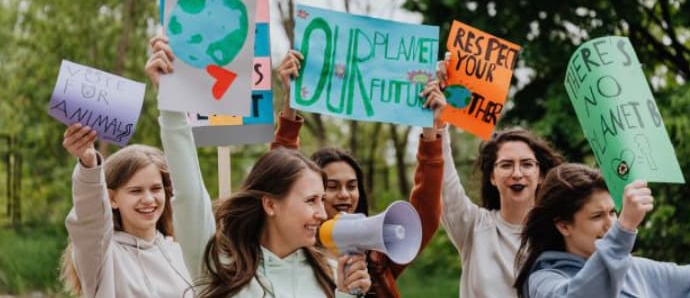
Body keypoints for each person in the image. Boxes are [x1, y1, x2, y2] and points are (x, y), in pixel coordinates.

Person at [146, 36, 371, 297]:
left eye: (322, 200)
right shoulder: (220, 265)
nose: (323, 212)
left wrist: (347, 294)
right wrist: (172, 102)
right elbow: (190, 194)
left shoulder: (332, 275)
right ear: (270, 204)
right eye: (311, 200)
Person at [274, 49, 446, 298]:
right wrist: (290, 103)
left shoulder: (377, 258)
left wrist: (431, 132)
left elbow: (425, 215)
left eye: (352, 186)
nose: (344, 195)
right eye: (331, 186)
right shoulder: (294, 254)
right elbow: (282, 174)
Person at [437, 49, 566, 298]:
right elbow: (443, 179)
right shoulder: (473, 227)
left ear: (540, 175)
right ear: (492, 176)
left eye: (527, 164)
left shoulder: (560, 232)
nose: (517, 173)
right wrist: (439, 122)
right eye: (506, 165)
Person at [514, 163, 690, 297]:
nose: (611, 224)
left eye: (613, 212)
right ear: (564, 226)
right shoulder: (543, 281)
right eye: (597, 216)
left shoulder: (635, 269)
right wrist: (624, 228)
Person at [60, 123, 193, 298]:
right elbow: (90, 219)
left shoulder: (181, 254)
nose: (148, 199)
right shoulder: (102, 258)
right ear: (112, 199)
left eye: (155, 189)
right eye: (136, 191)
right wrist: (89, 164)